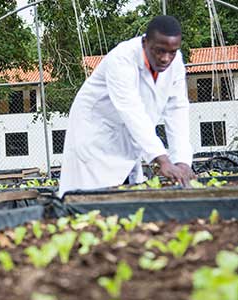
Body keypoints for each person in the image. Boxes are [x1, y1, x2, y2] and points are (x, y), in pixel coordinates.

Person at [59, 15, 195, 195]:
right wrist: (162, 160)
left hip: (127, 137)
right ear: (145, 42)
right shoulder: (122, 58)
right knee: (87, 198)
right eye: (159, 51)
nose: (165, 58)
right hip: (97, 135)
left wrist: (182, 161)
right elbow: (131, 109)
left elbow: (177, 109)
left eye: (172, 52)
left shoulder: (175, 63)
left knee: (122, 197)